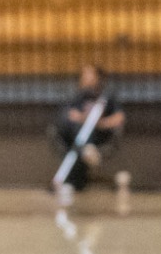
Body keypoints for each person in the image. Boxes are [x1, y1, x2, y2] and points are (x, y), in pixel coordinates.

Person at [50, 63, 125, 192]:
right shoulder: (75, 96)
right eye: (84, 74)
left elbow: (119, 118)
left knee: (82, 134)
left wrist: (98, 123)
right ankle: (86, 151)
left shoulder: (105, 97)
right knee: (78, 128)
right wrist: (84, 120)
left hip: (98, 136)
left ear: (97, 77)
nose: (86, 77)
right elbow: (69, 117)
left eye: (90, 74)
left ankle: (75, 174)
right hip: (73, 135)